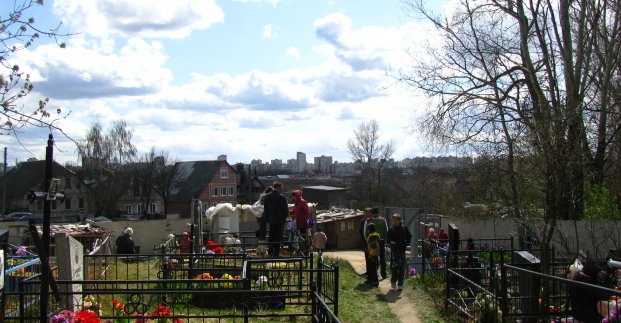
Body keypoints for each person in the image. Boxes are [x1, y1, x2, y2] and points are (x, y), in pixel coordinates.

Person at [569, 257, 610, 322]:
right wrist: (604, 281)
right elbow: (603, 295)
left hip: (584, 309)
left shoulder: (583, 276)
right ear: (594, 270)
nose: (602, 273)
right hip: (584, 312)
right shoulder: (584, 280)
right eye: (600, 271)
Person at [263, 181, 289, 257]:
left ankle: (270, 252)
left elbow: (266, 210)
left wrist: (268, 219)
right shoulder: (282, 197)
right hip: (280, 221)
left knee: (271, 236)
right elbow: (285, 210)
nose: (282, 189)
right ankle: (276, 253)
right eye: (281, 187)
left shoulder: (267, 197)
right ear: (278, 187)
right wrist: (285, 217)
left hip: (271, 220)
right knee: (278, 237)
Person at [387, 213, 412, 290]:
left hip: (402, 250)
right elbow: (388, 239)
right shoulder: (391, 229)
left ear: (399, 220)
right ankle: (393, 282)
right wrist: (391, 242)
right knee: (394, 267)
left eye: (395, 221)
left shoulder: (404, 228)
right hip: (394, 251)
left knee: (402, 267)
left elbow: (409, 236)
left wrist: (406, 243)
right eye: (393, 221)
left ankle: (400, 284)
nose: (394, 222)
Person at [364, 207, 389, 279]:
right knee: (382, 258)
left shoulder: (368, 220)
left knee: (373, 258)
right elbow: (386, 231)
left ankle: (375, 273)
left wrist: (367, 241)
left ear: (372, 213)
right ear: (379, 212)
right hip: (381, 241)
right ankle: (383, 274)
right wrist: (385, 241)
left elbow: (365, 232)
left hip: (371, 241)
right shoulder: (383, 220)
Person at [359, 207, 372, 276]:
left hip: (372, 242)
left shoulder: (373, 220)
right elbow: (360, 231)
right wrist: (362, 240)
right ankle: (368, 271)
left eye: (368, 213)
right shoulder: (362, 221)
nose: (366, 214)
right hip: (365, 242)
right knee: (367, 257)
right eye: (365, 213)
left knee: (373, 257)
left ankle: (374, 272)